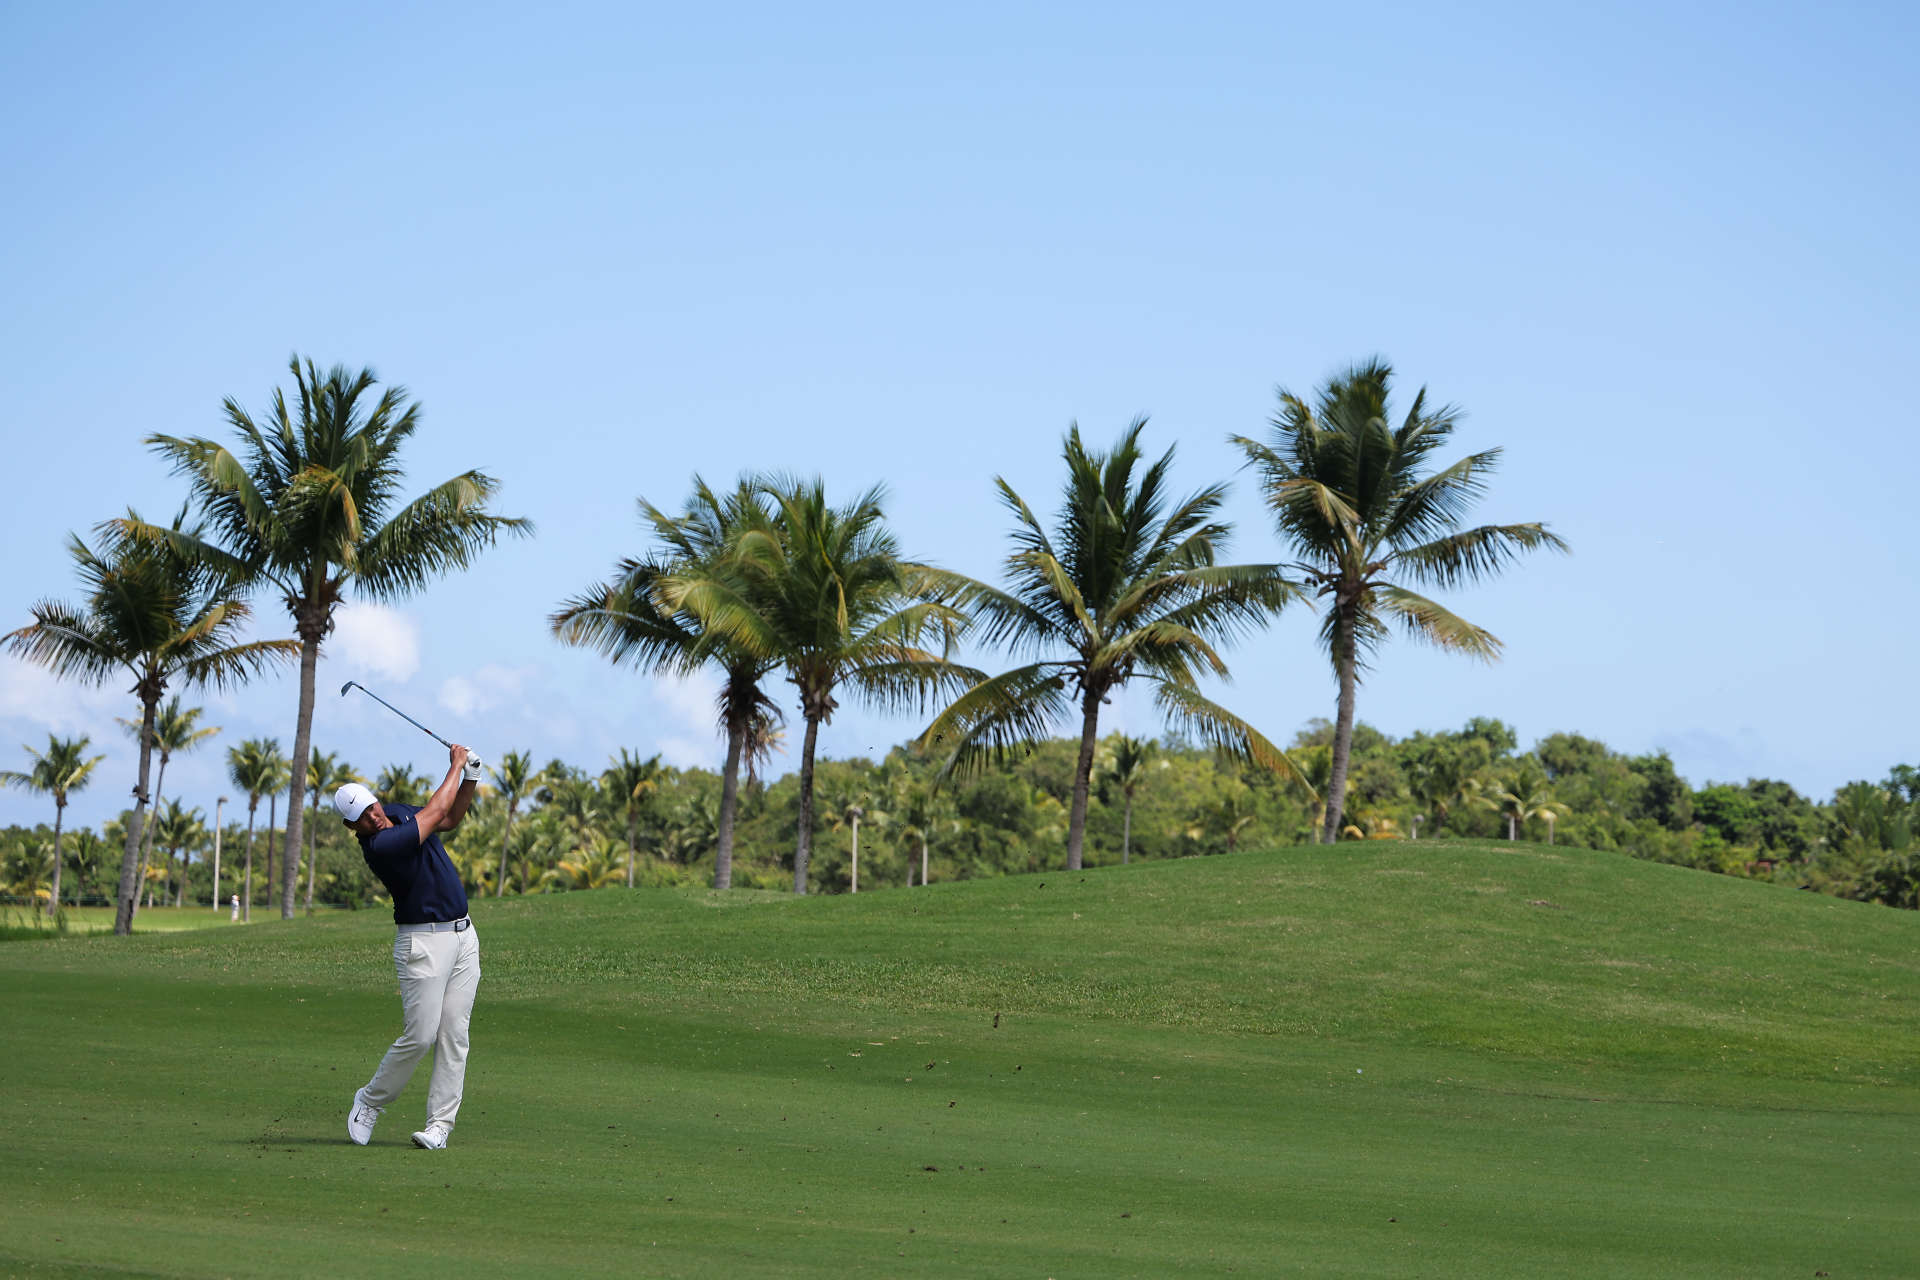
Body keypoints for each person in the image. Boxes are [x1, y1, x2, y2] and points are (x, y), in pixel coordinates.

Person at [336, 743, 484, 1150]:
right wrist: (455, 763)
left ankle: (439, 1126)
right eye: (363, 817)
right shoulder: (380, 847)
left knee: (455, 1034)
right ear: (355, 829)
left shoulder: (397, 812)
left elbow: (449, 818)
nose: (374, 815)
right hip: (422, 942)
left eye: (373, 806)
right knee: (420, 1036)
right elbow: (435, 813)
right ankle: (369, 1101)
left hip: (463, 937)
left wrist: (470, 777)